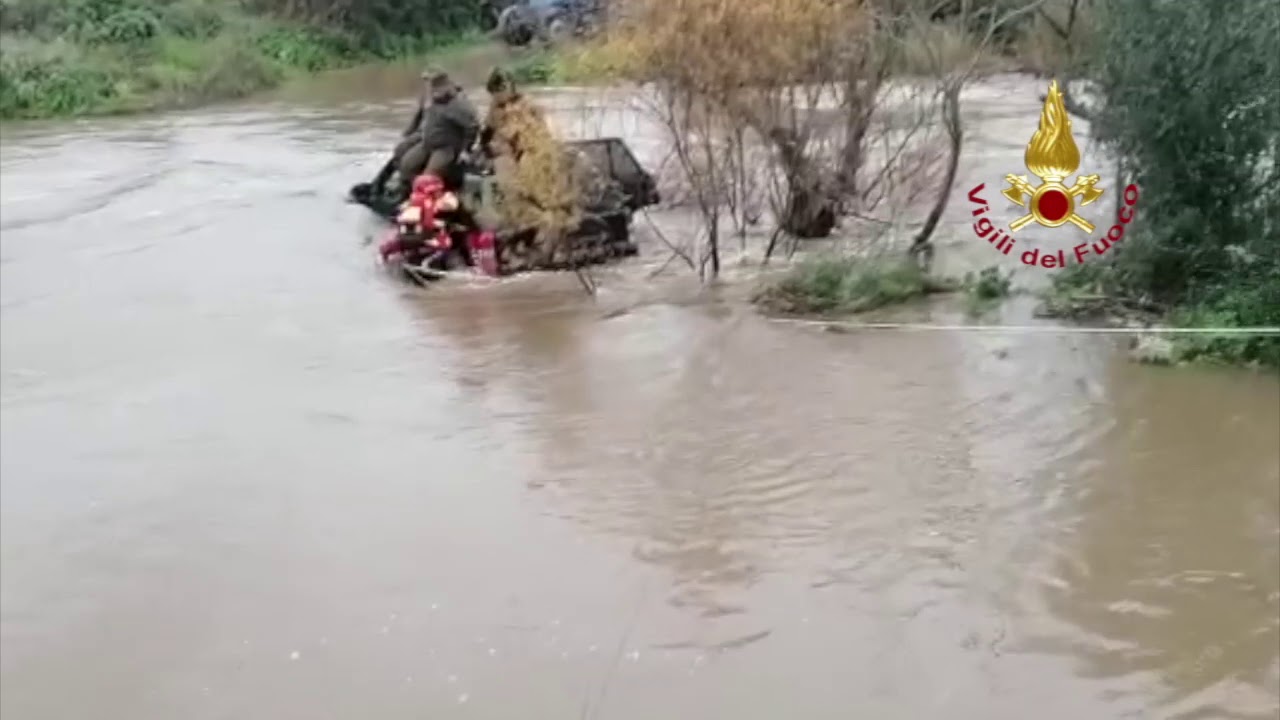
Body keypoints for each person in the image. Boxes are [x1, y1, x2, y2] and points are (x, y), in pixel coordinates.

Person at [481, 67, 580, 261]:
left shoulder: (516, 110)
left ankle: (549, 248)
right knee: (548, 204)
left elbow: (502, 135)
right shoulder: (516, 105)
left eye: (496, 93)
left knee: (533, 203)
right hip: (541, 155)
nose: (495, 99)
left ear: (503, 89)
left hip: (536, 158)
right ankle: (550, 243)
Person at [370, 69, 480, 195]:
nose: (431, 91)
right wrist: (408, 133)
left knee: (428, 176)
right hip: (428, 142)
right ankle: (410, 193)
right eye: (429, 85)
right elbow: (419, 115)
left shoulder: (458, 104)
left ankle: (436, 197)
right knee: (407, 165)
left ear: (446, 86)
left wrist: (465, 150)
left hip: (446, 147)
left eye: (435, 86)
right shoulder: (429, 98)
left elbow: (472, 126)